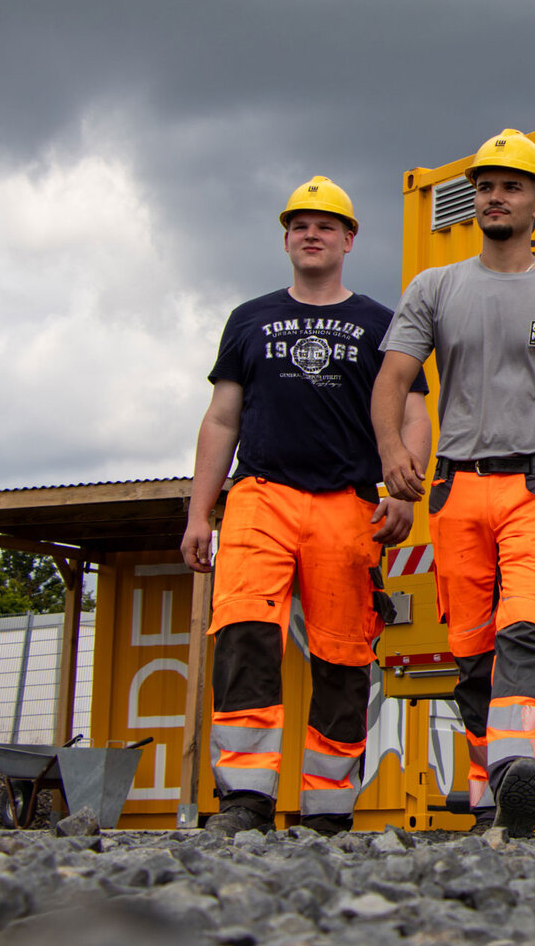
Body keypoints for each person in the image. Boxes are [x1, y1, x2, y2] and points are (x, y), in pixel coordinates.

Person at [373, 130, 535, 838]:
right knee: (473, 655)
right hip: (455, 492)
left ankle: (521, 768)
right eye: (486, 185)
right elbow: (393, 379)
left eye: (511, 185)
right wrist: (391, 452)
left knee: (524, 630)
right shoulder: (436, 287)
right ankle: (496, 799)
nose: (495, 196)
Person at [183, 176, 432, 837]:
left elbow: (413, 408)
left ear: (350, 239)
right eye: (299, 224)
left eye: (326, 224)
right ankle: (243, 797)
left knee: (345, 655)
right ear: (287, 237)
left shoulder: (382, 322)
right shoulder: (248, 319)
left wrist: (404, 488)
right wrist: (197, 513)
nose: (311, 233)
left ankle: (327, 808)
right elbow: (221, 419)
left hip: (348, 504)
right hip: (259, 498)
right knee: (244, 638)